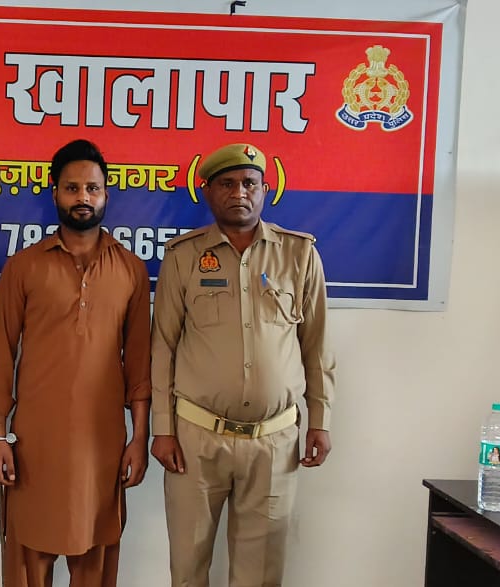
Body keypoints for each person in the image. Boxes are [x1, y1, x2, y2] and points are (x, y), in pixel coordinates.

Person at [150, 142, 336, 587]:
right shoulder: (183, 256)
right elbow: (162, 347)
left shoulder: (299, 255)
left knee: (261, 576)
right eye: (227, 184)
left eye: (250, 183)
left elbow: (316, 345)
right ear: (208, 192)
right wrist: (163, 428)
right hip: (195, 438)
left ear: (265, 190)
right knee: (188, 570)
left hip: (274, 441)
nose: (240, 193)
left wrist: (321, 419)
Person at [0, 139, 151, 587]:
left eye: (92, 188)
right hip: (33, 445)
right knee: (28, 561)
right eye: (72, 188)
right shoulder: (23, 267)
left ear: (106, 194)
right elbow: (1, 356)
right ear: (55, 192)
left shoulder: (131, 270)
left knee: (95, 559)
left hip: (102, 446)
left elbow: (139, 365)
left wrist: (140, 438)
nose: (83, 198)